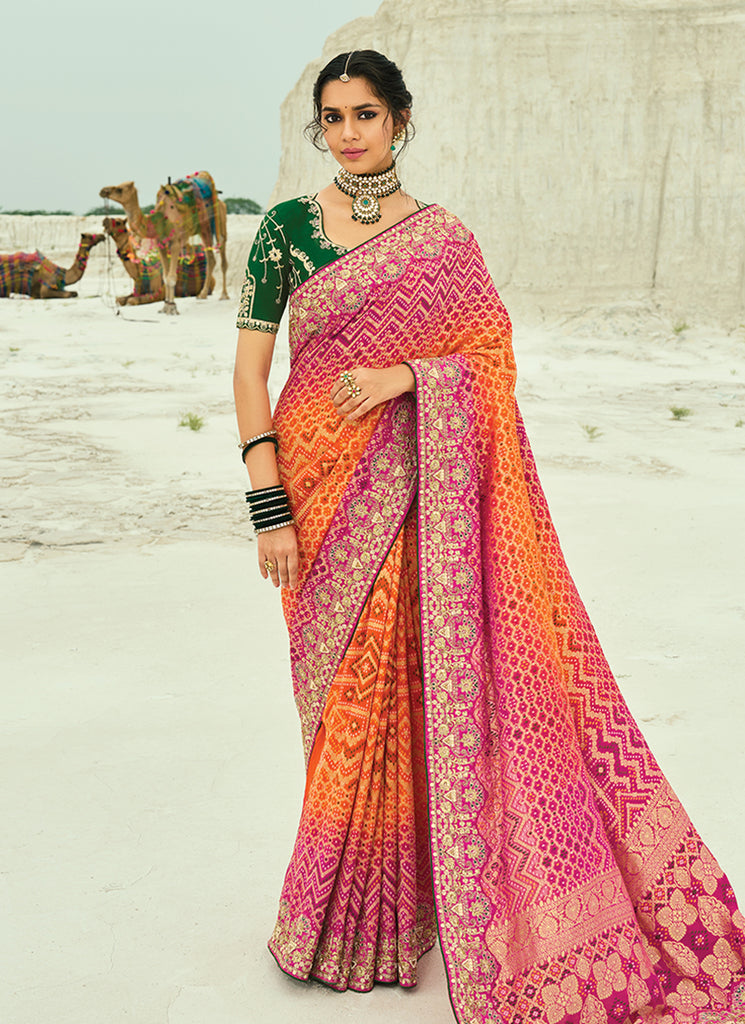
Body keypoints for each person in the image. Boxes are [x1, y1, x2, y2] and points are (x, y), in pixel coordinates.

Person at [233, 49, 745, 1024]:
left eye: (366, 115)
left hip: (416, 497)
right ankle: (336, 914)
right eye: (332, 117)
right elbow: (249, 374)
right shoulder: (287, 233)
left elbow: (489, 365)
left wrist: (409, 379)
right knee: (336, 702)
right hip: (314, 486)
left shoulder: (444, 243)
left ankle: (398, 916)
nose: (348, 132)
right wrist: (268, 506)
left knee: (402, 702)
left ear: (401, 120)